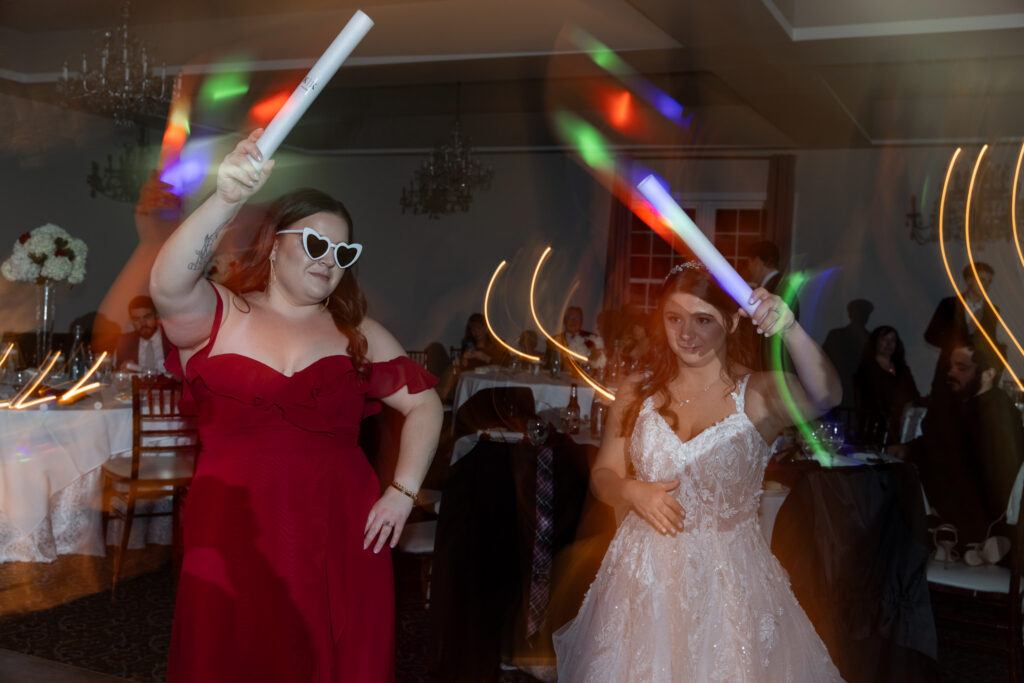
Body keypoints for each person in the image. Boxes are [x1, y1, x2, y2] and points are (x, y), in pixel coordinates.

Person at [150, 129, 443, 682]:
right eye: (314, 244)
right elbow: (167, 284)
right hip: (235, 531)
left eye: (342, 252)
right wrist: (227, 196)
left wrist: (402, 494)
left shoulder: (356, 332)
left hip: (340, 528)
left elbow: (426, 406)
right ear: (274, 243)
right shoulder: (222, 314)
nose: (329, 260)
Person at [554, 261, 843, 681]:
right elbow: (604, 474)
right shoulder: (638, 388)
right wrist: (632, 491)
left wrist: (790, 328)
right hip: (642, 578)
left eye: (702, 320)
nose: (685, 334)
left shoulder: (760, 394)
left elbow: (827, 393)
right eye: (674, 318)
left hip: (727, 585)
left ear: (731, 322)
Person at [903, 339, 1023, 547]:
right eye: (951, 366)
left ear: (988, 374)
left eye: (962, 368)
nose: (951, 373)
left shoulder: (995, 412)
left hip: (976, 521)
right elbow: (939, 442)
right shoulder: (966, 406)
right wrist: (907, 449)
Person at [924, 262, 999, 397]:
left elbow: (990, 341)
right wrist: (954, 346)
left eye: (989, 281)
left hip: (974, 376)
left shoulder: (992, 311)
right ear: (969, 280)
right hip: (948, 370)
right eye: (982, 279)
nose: (986, 285)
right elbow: (930, 335)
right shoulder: (949, 304)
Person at [853, 325, 919, 446]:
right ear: (876, 342)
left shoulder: (902, 369)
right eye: (884, 339)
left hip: (898, 426)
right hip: (873, 425)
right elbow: (867, 398)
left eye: (892, 340)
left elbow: (913, 394)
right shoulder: (867, 368)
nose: (889, 344)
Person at [823, 298, 874, 409]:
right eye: (859, 312)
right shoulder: (836, 336)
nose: (861, 316)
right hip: (835, 394)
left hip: (860, 400)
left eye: (863, 313)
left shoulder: (872, 341)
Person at [114, 295, 173, 373]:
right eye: (136, 319)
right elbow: (117, 374)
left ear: (156, 316)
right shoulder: (125, 342)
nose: (142, 323)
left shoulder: (172, 339)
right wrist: (123, 371)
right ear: (131, 320)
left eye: (147, 317)